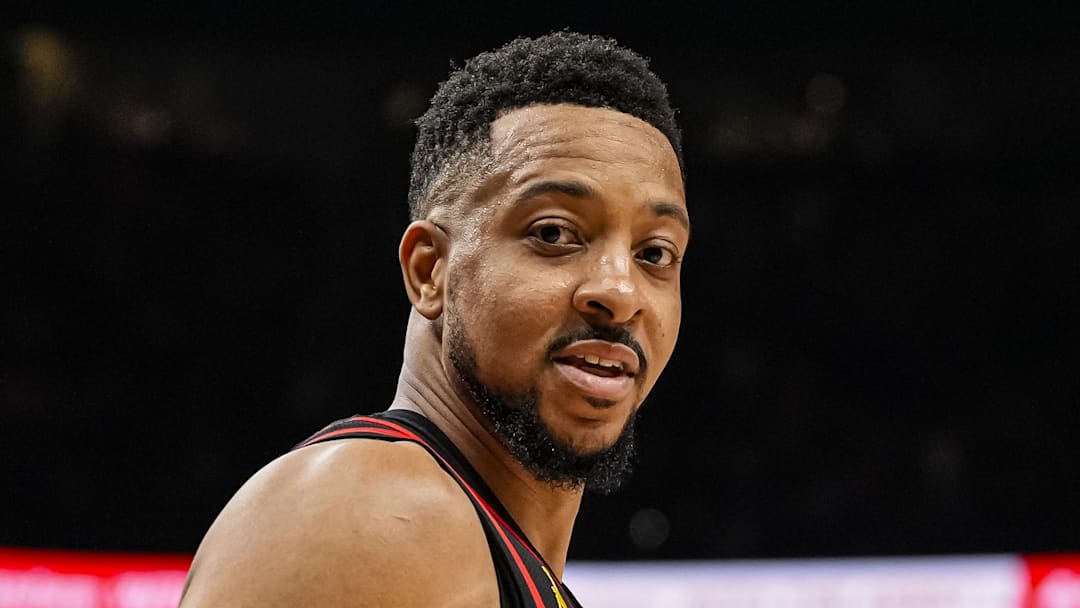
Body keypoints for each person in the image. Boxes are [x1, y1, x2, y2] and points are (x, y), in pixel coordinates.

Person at [179, 31, 689, 607]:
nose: (620, 292)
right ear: (430, 271)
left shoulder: (479, 546)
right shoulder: (372, 514)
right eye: (553, 233)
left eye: (655, 254)